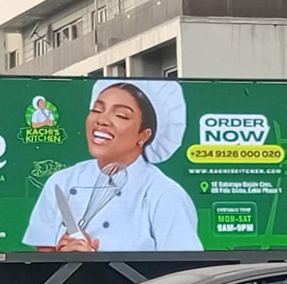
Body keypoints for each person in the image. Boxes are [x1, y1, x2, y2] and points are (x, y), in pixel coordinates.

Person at [23, 80, 202, 252]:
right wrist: (65, 254)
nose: (102, 120)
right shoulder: (62, 181)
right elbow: (44, 248)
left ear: (144, 136)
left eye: (121, 115)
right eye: (96, 110)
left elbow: (181, 263)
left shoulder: (164, 194)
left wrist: (94, 262)